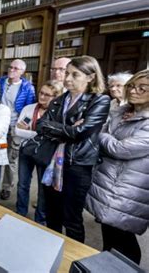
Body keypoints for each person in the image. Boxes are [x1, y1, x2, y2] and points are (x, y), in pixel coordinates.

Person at [37, 56, 110, 243]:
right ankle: (51, 249)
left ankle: (73, 261)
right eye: (67, 73)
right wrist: (68, 130)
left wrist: (64, 129)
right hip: (53, 163)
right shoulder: (59, 100)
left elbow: (79, 133)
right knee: (52, 214)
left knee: (72, 219)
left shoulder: (100, 101)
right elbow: (40, 126)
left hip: (77, 166)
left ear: (90, 77)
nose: (67, 78)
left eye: (74, 75)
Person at [86, 69, 149, 264]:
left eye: (142, 88)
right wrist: (105, 134)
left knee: (124, 241)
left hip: (129, 187)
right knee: (110, 236)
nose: (133, 91)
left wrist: (101, 135)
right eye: (131, 86)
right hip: (111, 181)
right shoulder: (122, 111)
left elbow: (120, 149)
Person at [15, 80, 64, 224]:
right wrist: (39, 134)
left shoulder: (59, 114)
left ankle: (40, 220)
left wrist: (29, 131)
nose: (41, 97)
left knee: (43, 189)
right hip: (26, 151)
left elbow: (56, 136)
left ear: (55, 97)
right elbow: (17, 131)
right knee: (23, 184)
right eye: (41, 93)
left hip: (46, 153)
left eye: (47, 95)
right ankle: (20, 212)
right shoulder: (29, 108)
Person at [0, 59, 36, 200]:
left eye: (16, 68)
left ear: (22, 72)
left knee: (10, 158)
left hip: (15, 127)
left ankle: (7, 186)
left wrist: (24, 124)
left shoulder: (28, 88)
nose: (12, 70)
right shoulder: (0, 82)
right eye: (10, 67)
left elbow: (30, 110)